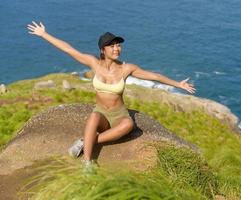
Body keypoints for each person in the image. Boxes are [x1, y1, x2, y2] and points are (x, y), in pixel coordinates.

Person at [27, 21, 196, 166]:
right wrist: (44, 34)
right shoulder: (94, 63)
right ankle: (87, 162)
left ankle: (85, 142)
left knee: (128, 125)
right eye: (112, 45)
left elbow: (155, 76)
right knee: (93, 117)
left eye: (118, 45)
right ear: (103, 50)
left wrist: (178, 84)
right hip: (101, 113)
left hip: (119, 115)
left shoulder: (126, 68)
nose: (117, 48)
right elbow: (69, 50)